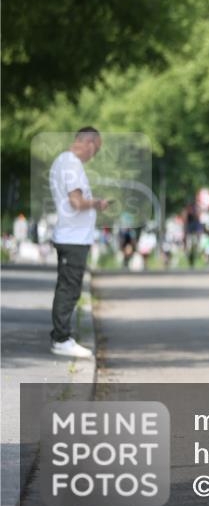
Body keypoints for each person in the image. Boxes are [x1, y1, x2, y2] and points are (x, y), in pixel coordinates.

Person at [48, 127, 109, 358]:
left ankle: (62, 337)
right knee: (69, 289)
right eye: (97, 149)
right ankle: (61, 339)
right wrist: (96, 204)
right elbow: (76, 202)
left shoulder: (64, 161)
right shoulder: (71, 164)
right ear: (89, 144)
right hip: (72, 238)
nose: (94, 155)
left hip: (72, 236)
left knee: (69, 288)